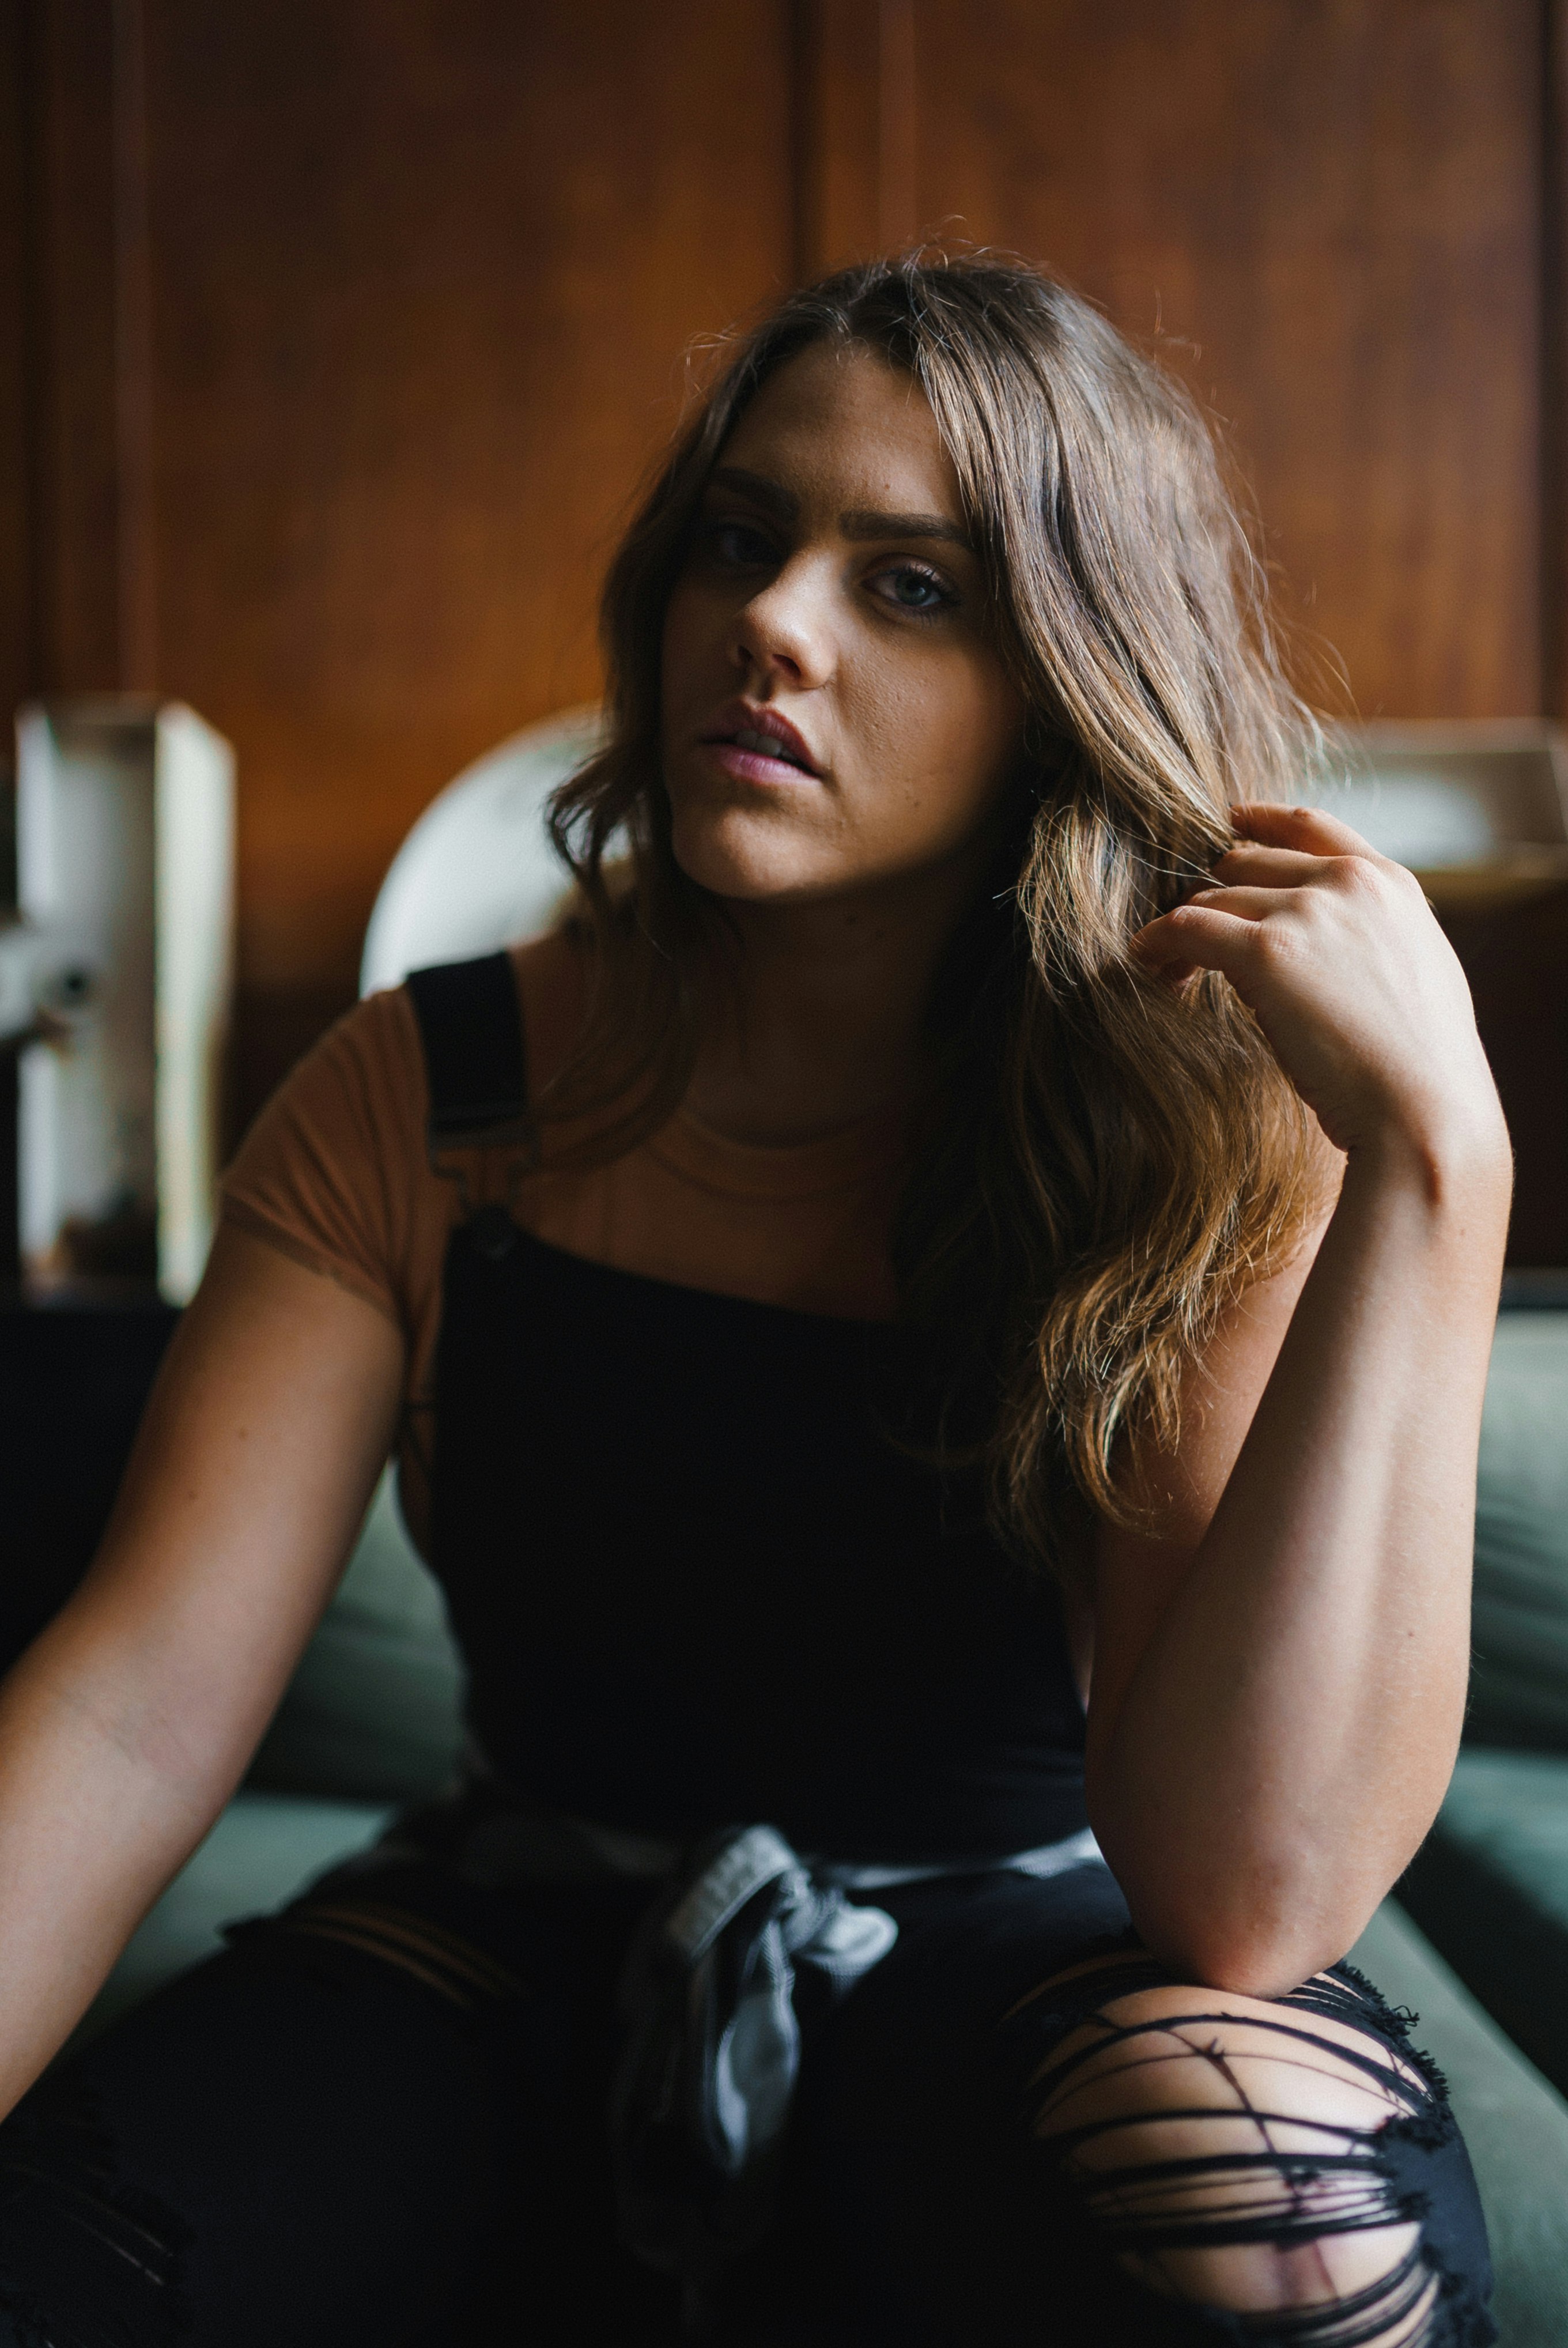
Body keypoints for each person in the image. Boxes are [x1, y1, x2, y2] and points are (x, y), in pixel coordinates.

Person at [0, 255, 1510, 2348]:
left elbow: (1243, 1894)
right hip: (519, 1929)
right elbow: (133, 1702)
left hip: (1021, 1961)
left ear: (1064, 679)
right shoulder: (421, 1094)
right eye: (743, 533)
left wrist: (1437, 1166)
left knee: (1290, 2237)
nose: (772, 621)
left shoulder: (1200, 1146)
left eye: (910, 586)